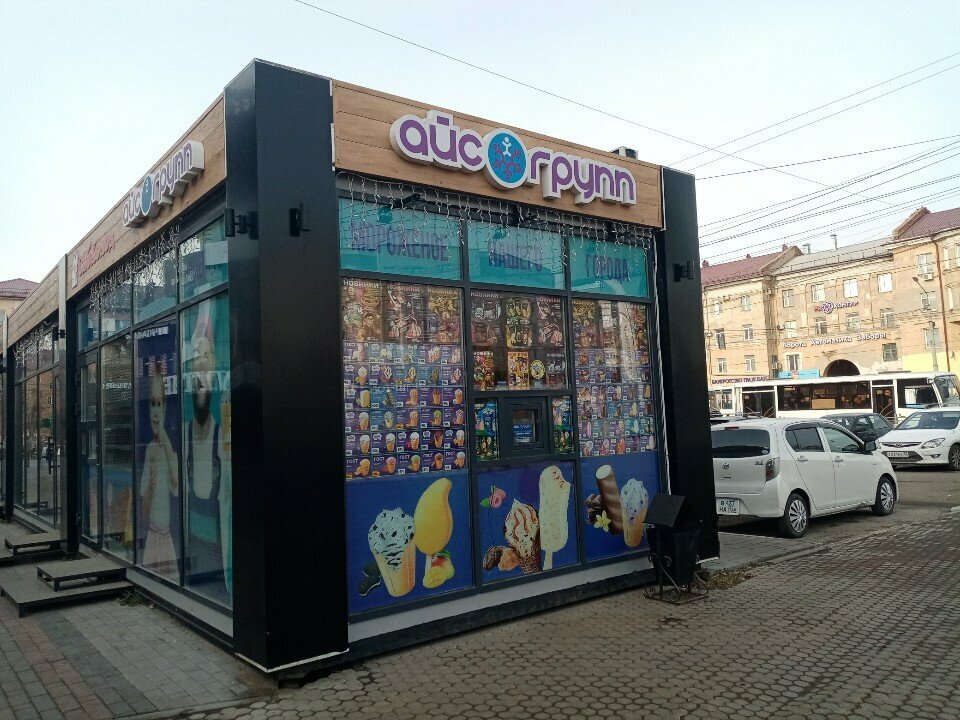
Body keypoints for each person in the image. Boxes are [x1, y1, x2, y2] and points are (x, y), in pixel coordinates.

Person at [185, 313, 229, 604]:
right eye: (195, 356)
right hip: (193, 574)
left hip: (218, 578)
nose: (201, 364)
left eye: (207, 355)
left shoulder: (223, 440)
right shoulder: (183, 437)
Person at [140, 362, 180, 582]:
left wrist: (164, 440)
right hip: (152, 537)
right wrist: (151, 487)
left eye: (159, 404)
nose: (155, 412)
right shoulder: (149, 450)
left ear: (165, 407)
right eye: (152, 404)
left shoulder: (171, 449)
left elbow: (177, 487)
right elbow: (144, 510)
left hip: (167, 539)